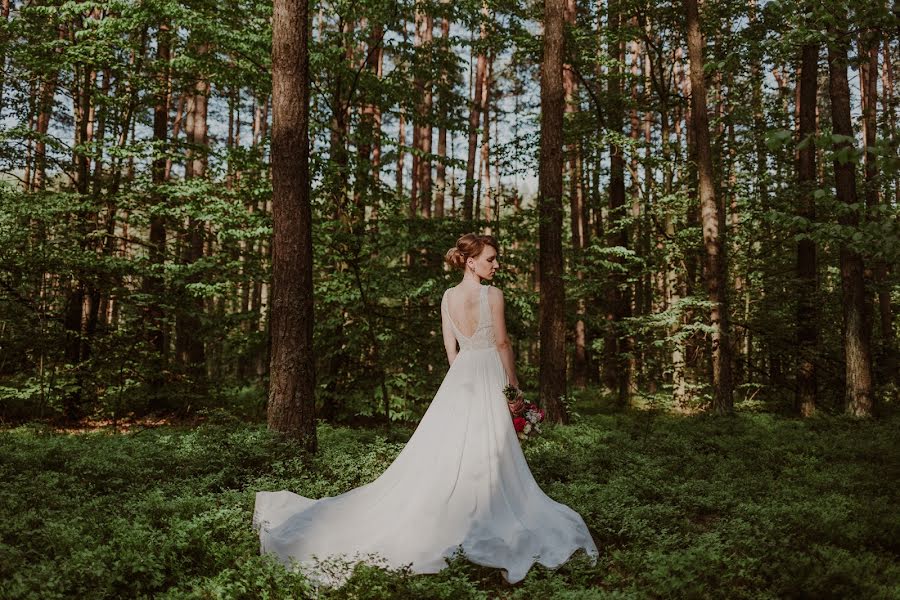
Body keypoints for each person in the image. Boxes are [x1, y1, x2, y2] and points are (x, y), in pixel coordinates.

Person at [253, 233, 598, 587]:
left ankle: (464, 505)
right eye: (491, 259)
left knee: (449, 451)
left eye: (496, 259)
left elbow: (451, 349)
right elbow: (502, 342)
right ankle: (480, 507)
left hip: (461, 376)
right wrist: (513, 387)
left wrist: (461, 381)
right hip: (488, 372)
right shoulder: (492, 295)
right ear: (471, 261)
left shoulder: (447, 297)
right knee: (486, 447)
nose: (497, 264)